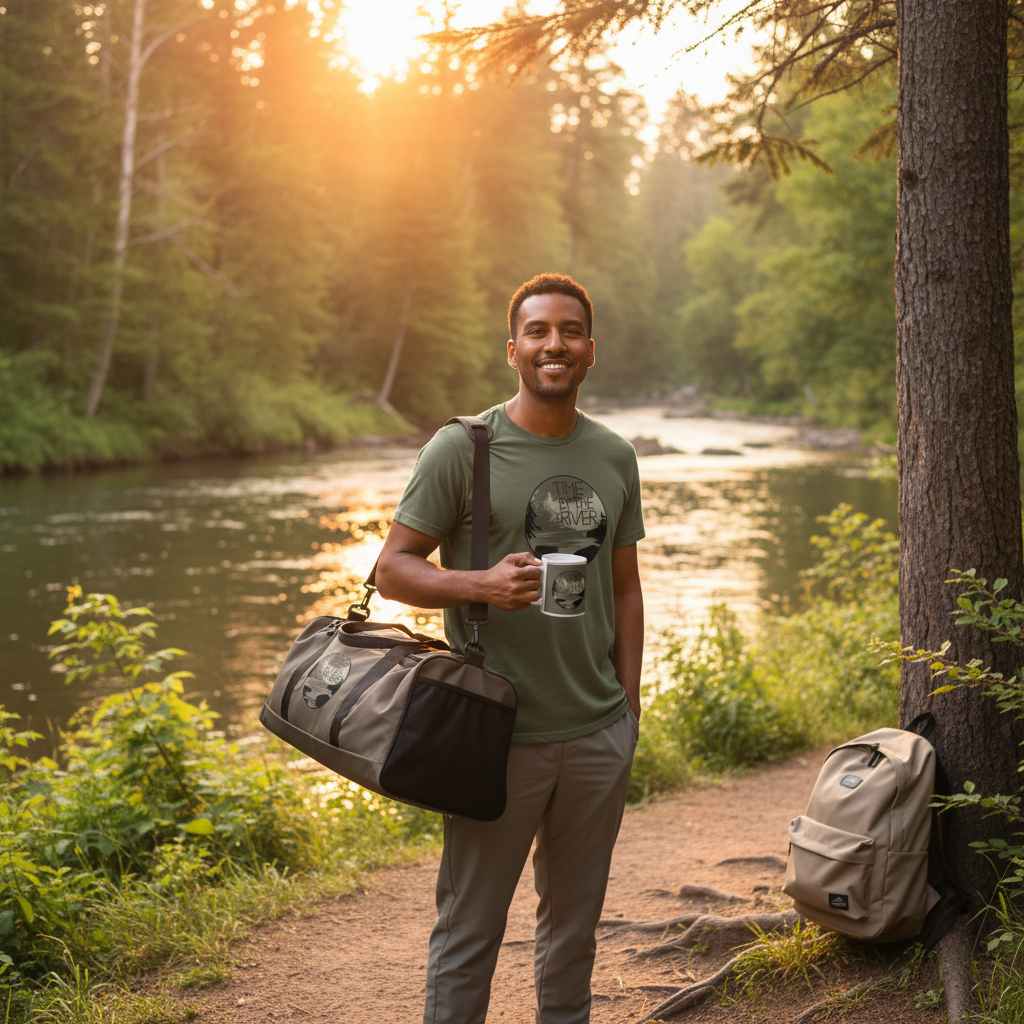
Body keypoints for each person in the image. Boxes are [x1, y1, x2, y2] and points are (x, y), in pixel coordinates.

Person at [376, 272, 645, 1024]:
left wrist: (628, 708)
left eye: (568, 331)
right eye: (537, 331)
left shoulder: (616, 456)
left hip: (595, 735)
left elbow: (626, 588)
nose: (553, 343)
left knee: (573, 935)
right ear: (513, 350)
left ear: (590, 350)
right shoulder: (462, 448)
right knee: (470, 932)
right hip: (494, 734)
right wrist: (480, 586)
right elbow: (390, 570)